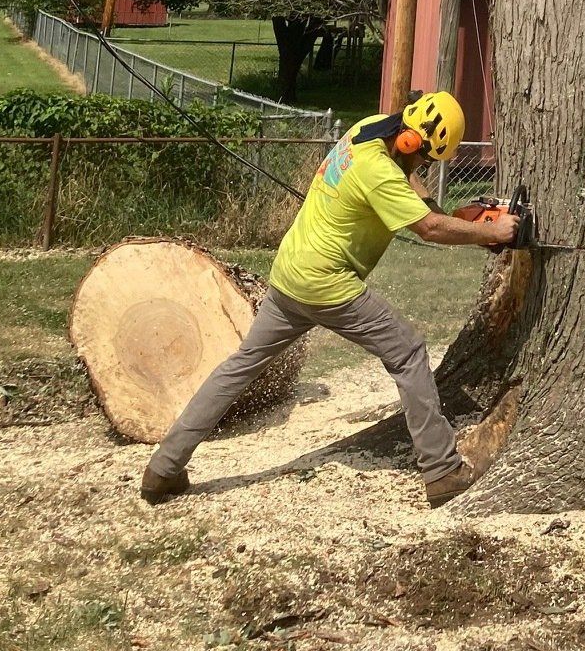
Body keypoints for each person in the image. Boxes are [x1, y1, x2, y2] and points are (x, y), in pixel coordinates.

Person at [140, 91, 514, 508]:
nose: (423, 166)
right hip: (328, 284)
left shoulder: (368, 130)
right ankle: (443, 471)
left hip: (289, 274)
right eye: (425, 158)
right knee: (407, 351)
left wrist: (444, 209)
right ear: (411, 143)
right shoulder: (379, 171)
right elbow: (428, 229)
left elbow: (413, 188)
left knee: (240, 367)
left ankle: (163, 469)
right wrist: (491, 234)